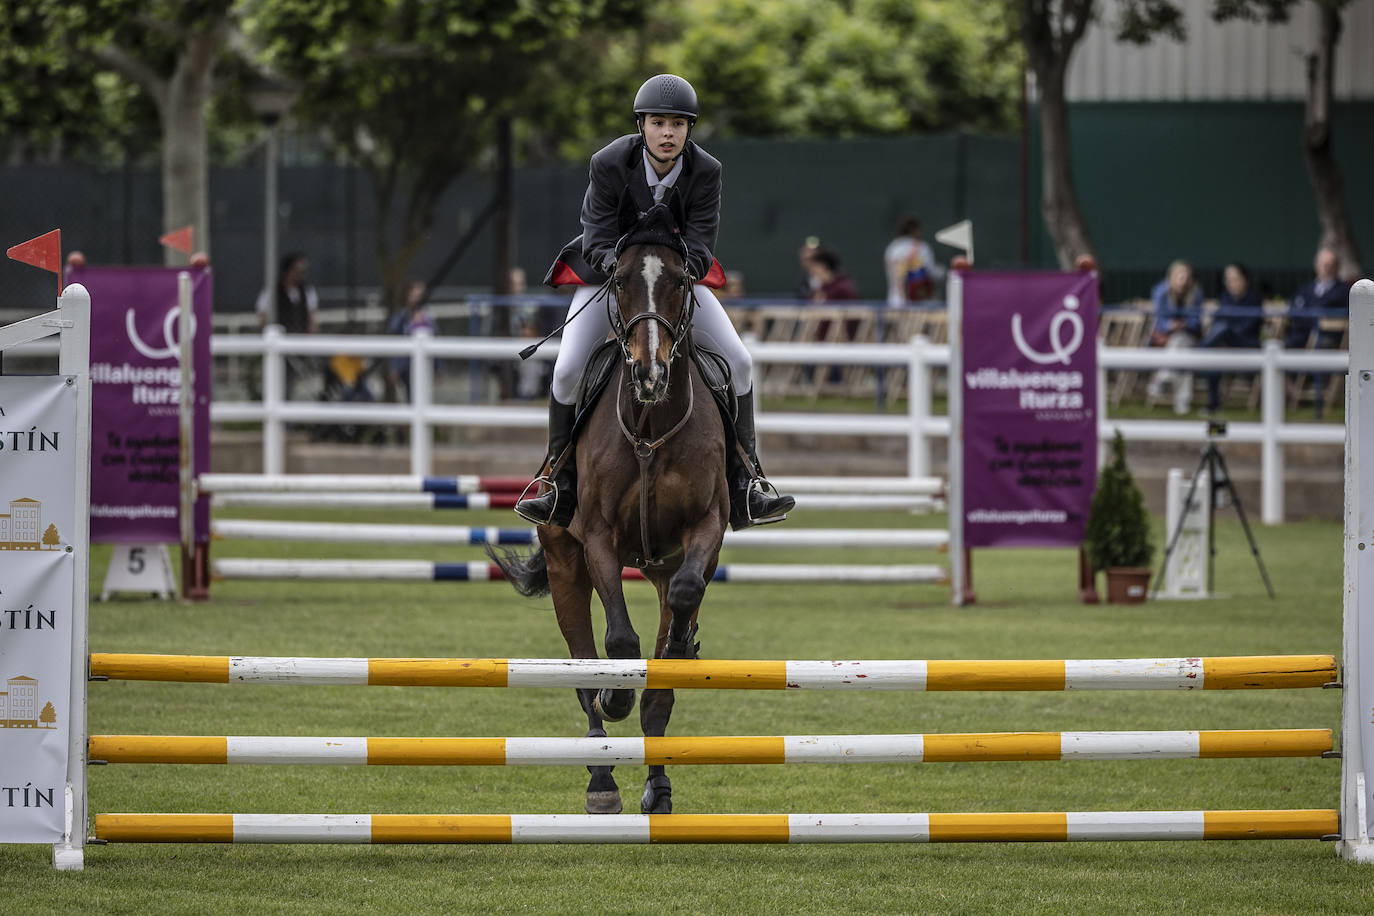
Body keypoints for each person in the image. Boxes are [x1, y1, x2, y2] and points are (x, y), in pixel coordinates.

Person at [515, 74, 795, 531]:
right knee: (566, 370)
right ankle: (558, 486)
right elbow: (598, 236)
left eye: (679, 125)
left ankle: (746, 484)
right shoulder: (609, 163)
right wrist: (624, 271)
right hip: (613, 276)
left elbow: (703, 245)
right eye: (659, 123)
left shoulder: (707, 171)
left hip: (672, 280)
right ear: (641, 125)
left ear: (689, 130)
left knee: (740, 362)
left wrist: (668, 272)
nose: (669, 133)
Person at [1284, 246, 1351, 418]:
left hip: (1326, 338)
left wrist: (1312, 315)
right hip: (1300, 336)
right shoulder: (1306, 288)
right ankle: (1294, 395)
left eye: (1330, 264)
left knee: (1317, 346)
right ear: (1316, 265)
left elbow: (1331, 314)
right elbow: (1294, 309)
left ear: (1336, 267)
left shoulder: (1343, 291)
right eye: (1323, 264)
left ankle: (1306, 399)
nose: (1326, 268)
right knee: (1278, 347)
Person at [1197, 262, 1264, 414]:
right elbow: (1216, 321)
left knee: (1223, 329)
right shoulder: (1225, 298)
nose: (1232, 283)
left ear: (1245, 279)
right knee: (1213, 358)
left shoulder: (1254, 298)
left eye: (1235, 279)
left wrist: (1228, 331)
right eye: (1228, 280)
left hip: (1247, 344)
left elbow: (1249, 326)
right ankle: (1213, 403)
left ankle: (1196, 353)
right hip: (1226, 344)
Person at [1145, 259, 1203, 415]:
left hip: (1188, 336)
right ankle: (1182, 401)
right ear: (1171, 277)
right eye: (1179, 276)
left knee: (1180, 341)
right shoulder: (1161, 292)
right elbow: (1160, 319)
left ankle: (1163, 378)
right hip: (1164, 338)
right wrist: (1171, 325)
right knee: (1182, 352)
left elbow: (1196, 321)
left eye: (1186, 277)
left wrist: (1184, 325)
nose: (1183, 281)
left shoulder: (1195, 294)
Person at [386, 279, 438, 402]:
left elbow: (435, 338)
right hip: (406, 365)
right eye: (415, 293)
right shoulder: (401, 317)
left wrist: (437, 367)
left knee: (423, 396)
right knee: (411, 396)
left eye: (420, 294)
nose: (418, 296)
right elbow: (395, 343)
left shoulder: (428, 315)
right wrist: (395, 368)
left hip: (426, 363)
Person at [883, 215, 944, 305]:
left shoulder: (892, 248)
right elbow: (931, 272)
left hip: (895, 303)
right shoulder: (922, 247)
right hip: (920, 305)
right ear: (914, 230)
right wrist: (943, 272)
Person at [255, 251, 319, 334]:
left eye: (303, 272)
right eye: (298, 272)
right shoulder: (272, 291)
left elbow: (312, 318)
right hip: (280, 338)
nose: (301, 275)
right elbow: (262, 314)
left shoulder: (308, 291)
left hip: (302, 337)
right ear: (288, 271)